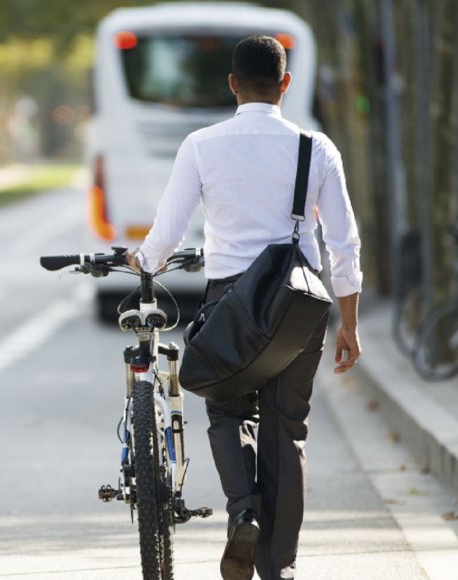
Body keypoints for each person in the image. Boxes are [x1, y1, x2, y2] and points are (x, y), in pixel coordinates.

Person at [127, 35, 362, 580]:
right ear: (285, 83)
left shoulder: (202, 145)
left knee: (226, 408)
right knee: (287, 431)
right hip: (300, 308)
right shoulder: (316, 148)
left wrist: (143, 262)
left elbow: (162, 238)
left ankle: (244, 511)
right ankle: (279, 567)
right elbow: (344, 246)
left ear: (231, 84)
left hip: (230, 302)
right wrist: (349, 324)